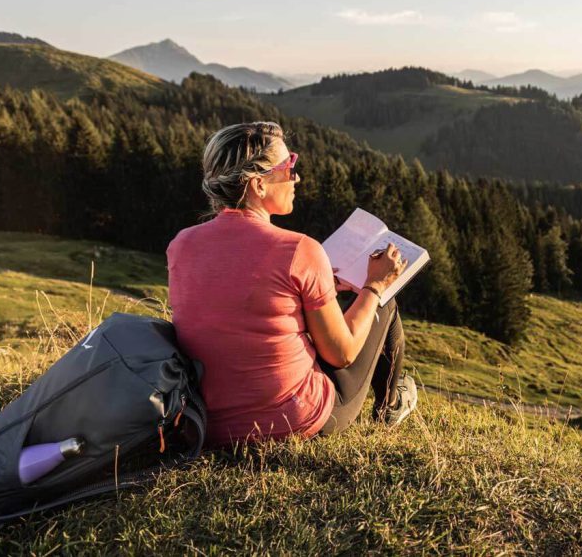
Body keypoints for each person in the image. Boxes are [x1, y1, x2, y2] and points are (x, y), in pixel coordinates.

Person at [166, 121, 416, 448]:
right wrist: (375, 285)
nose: (296, 176)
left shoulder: (181, 245)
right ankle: (391, 406)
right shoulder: (298, 249)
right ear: (258, 184)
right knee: (383, 302)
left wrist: (323, 284)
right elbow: (342, 354)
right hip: (291, 419)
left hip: (209, 424)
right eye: (288, 167)